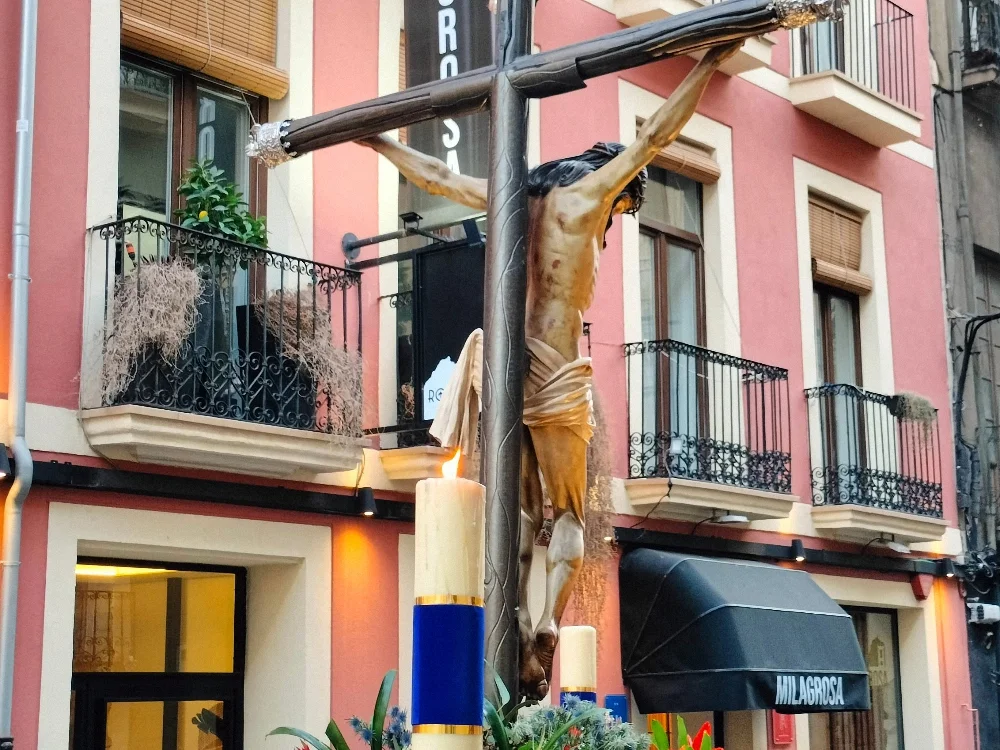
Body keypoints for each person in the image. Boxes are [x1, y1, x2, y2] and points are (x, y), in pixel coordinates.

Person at [358, 41, 741, 699]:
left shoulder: (511, 196)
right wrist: (708, 63)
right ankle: (541, 630)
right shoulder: (590, 197)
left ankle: (510, 629)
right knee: (567, 515)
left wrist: (376, 143)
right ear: (618, 191)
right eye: (624, 213)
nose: (616, 224)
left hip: (509, 366)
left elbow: (436, 179)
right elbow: (659, 133)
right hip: (558, 370)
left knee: (518, 510)